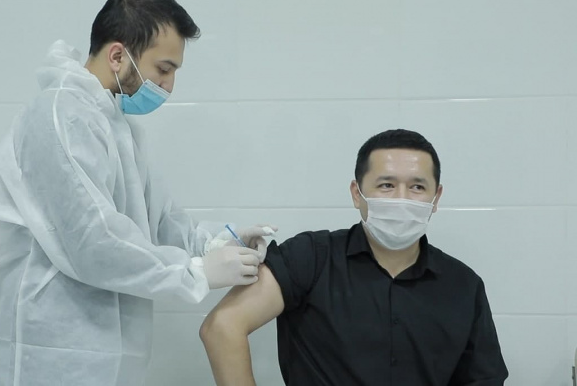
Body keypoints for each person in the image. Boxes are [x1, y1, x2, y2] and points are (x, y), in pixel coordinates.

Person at [0, 0, 275, 385]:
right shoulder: (62, 116)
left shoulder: (115, 126)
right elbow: (94, 242)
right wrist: (196, 271)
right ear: (117, 56)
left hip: (98, 355)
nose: (168, 85)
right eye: (163, 69)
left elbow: (160, 221)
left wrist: (218, 243)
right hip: (53, 352)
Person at [200, 129, 509, 385]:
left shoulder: (463, 285)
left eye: (417, 186)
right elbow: (222, 327)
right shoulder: (310, 258)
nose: (402, 199)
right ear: (356, 193)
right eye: (386, 185)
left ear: (435, 197)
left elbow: (483, 379)